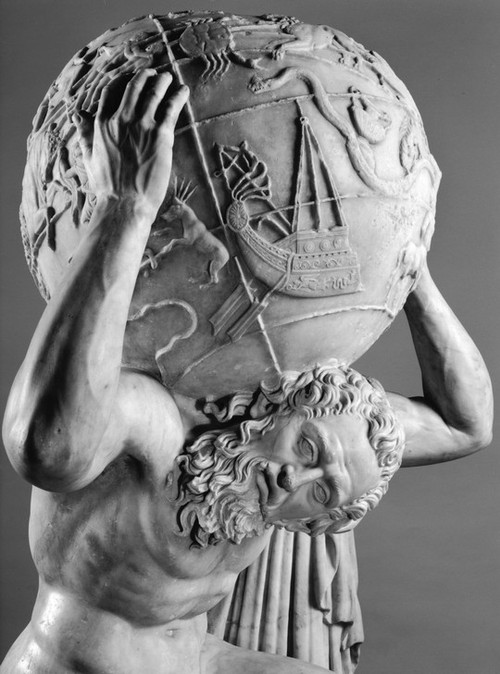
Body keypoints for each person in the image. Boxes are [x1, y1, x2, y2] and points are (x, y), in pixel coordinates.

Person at [1, 71, 492, 674]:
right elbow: (46, 447)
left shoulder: (315, 452)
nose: (295, 477)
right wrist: (125, 208)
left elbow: (466, 426)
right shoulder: (161, 429)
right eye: (307, 447)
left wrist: (410, 269)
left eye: (322, 492)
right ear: (283, 406)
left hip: (199, 660)